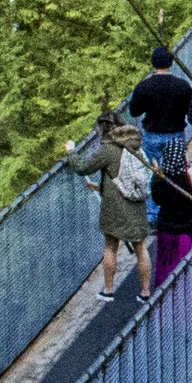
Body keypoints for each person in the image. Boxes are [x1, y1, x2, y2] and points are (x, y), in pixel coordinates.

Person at [66, 107, 153, 296]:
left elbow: (83, 167)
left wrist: (71, 152)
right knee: (140, 246)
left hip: (115, 204)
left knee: (111, 246)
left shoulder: (108, 149)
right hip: (136, 200)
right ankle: (146, 291)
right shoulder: (134, 144)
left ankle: (108, 290)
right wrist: (100, 186)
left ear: (102, 129)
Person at [125, 45, 192, 217]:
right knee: (176, 172)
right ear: (171, 63)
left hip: (152, 135)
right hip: (175, 135)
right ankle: (175, 209)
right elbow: (190, 110)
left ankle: (153, 213)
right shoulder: (182, 86)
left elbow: (134, 111)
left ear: (153, 63)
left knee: (151, 173)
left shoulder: (144, 87)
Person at [146, 161, 192, 288]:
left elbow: (156, 199)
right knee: (184, 264)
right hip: (185, 229)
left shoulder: (160, 178)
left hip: (166, 228)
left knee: (165, 263)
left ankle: (163, 289)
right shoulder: (187, 177)